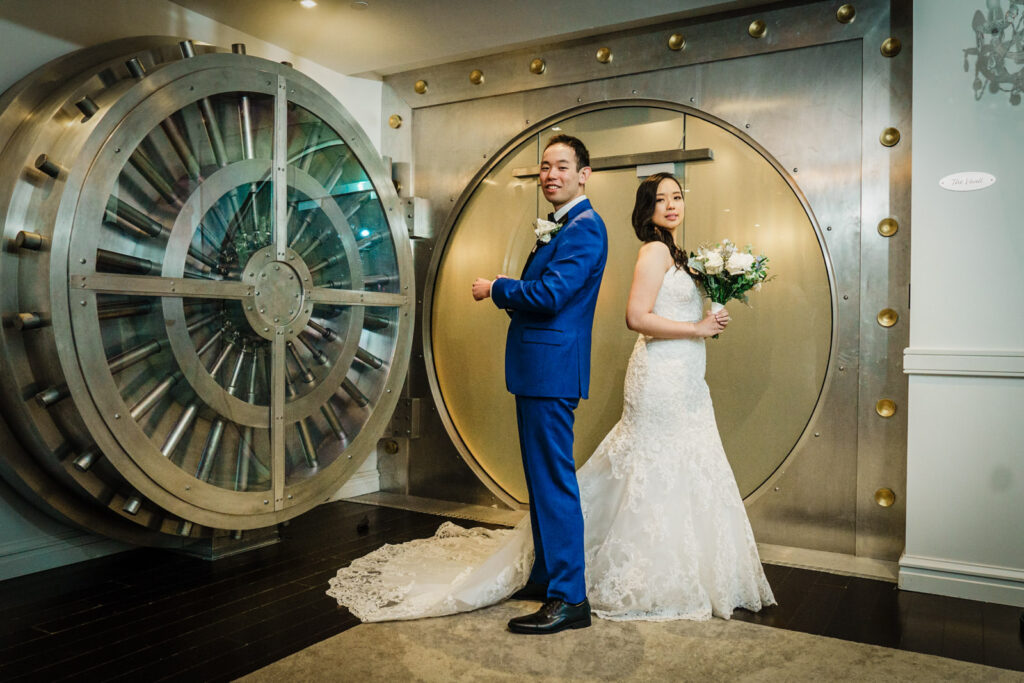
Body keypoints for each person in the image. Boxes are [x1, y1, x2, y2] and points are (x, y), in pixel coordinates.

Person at [326, 171, 775, 626]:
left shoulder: (663, 251)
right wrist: (696, 328)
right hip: (657, 374)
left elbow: (561, 294)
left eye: (677, 197)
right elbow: (634, 315)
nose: (672, 206)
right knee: (639, 468)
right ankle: (572, 581)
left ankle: (619, 576)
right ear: (647, 209)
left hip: (681, 375)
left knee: (678, 467)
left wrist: (714, 308)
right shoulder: (653, 250)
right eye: (661, 199)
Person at [472, 134, 607, 634]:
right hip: (538, 370)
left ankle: (571, 598)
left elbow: (551, 295)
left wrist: (497, 288)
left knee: (553, 482)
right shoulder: (563, 226)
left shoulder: (584, 228)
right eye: (545, 166)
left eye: (562, 166)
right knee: (541, 479)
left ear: (583, 174)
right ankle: (550, 577)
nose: (551, 174)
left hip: (551, 373)